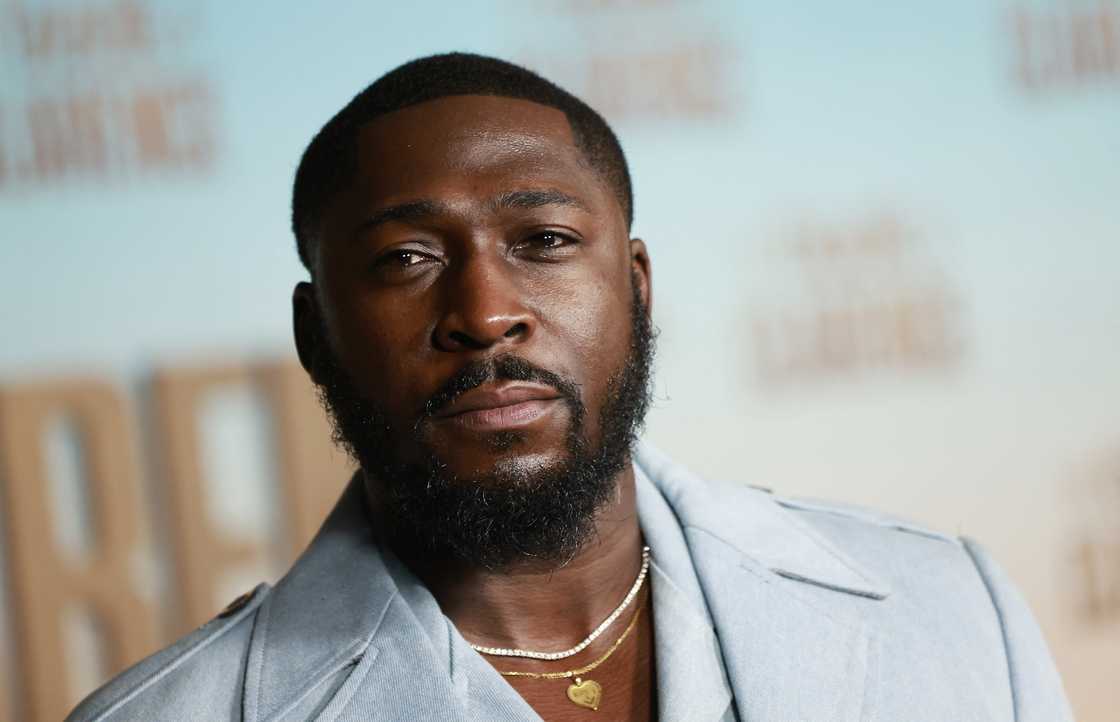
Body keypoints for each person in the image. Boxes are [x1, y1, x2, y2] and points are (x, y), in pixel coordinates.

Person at [67, 52, 1073, 722]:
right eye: (406, 258)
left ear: (634, 287)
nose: (485, 310)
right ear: (314, 333)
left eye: (542, 240)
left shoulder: (948, 604)